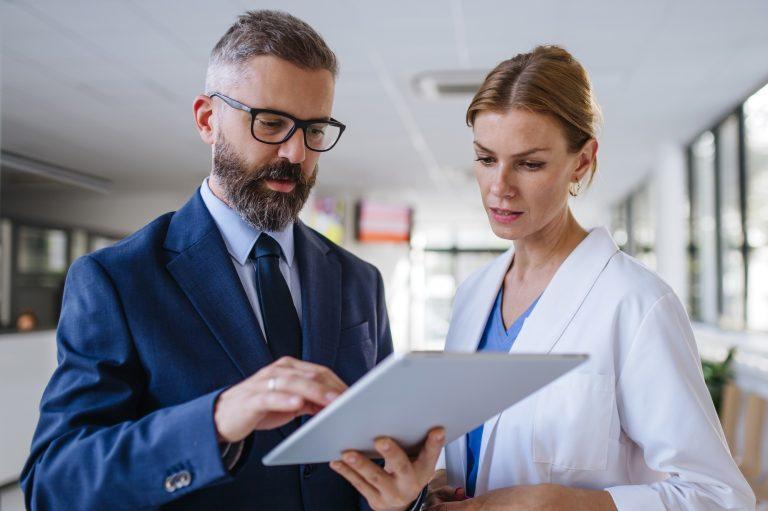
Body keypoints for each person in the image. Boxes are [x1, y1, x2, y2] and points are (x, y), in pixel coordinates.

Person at [21, 10, 441, 511]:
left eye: (314, 129)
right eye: (271, 123)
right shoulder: (118, 280)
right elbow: (55, 482)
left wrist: (405, 499)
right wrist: (216, 419)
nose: (295, 152)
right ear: (207, 119)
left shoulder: (358, 280)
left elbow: (378, 456)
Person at [334, 46, 755, 511]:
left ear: (582, 160)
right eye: (485, 158)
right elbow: (479, 455)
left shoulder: (636, 302)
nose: (500, 187)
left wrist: (566, 504)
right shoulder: (474, 295)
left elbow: (719, 496)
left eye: (530, 164)